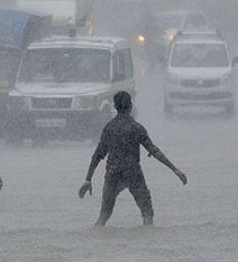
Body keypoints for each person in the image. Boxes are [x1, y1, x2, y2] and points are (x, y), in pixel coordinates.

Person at [79, 91, 187, 226]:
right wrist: (175, 170)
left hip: (113, 174)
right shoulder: (136, 128)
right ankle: (147, 242)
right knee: (147, 213)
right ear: (130, 106)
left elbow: (97, 156)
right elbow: (154, 151)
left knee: (104, 215)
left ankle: (96, 242)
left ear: (115, 107)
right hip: (133, 174)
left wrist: (88, 179)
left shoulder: (109, 128)